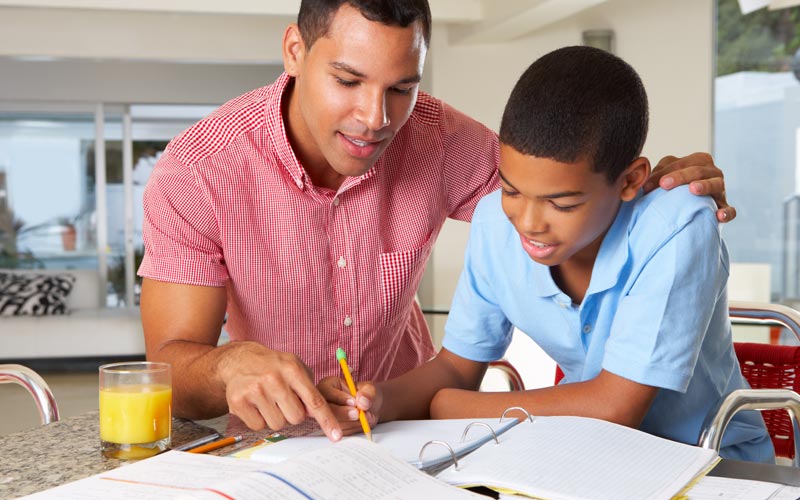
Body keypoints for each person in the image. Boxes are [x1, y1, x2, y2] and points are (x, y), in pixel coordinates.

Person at [139, 0, 737, 443]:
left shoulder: (445, 142)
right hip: (275, 445)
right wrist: (226, 364)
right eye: (347, 80)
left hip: (406, 435)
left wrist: (667, 197)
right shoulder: (197, 171)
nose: (375, 118)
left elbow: (561, 177)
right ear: (295, 50)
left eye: (402, 87)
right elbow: (169, 373)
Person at [319, 45, 774, 462]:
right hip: (585, 460)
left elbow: (614, 408)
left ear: (631, 181)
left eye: (563, 203)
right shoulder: (495, 223)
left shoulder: (677, 224)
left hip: (709, 465)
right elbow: (456, 367)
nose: (530, 222)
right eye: (511, 189)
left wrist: (456, 407)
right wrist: (381, 401)